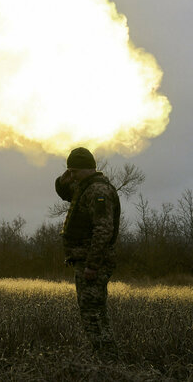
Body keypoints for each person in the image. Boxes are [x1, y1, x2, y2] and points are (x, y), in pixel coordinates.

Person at [55, 147, 121, 358]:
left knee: (92, 312)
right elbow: (68, 194)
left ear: (85, 169)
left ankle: (107, 359)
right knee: (94, 311)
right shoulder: (87, 187)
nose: (71, 176)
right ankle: (105, 357)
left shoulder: (98, 191)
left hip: (92, 263)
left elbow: (103, 229)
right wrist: (62, 180)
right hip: (85, 261)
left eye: (74, 171)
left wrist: (92, 265)